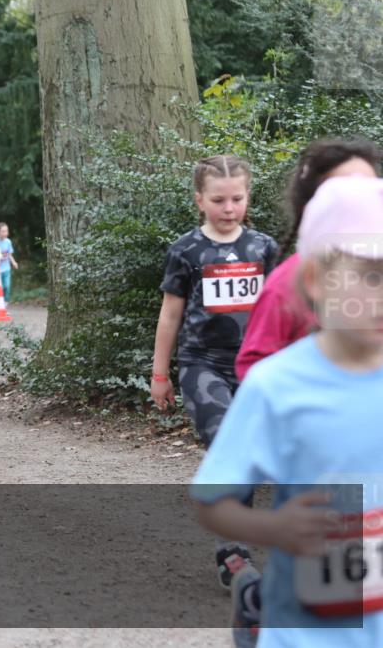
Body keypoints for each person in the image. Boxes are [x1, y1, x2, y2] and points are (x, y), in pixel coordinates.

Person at [192, 176, 383, 648]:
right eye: (372, 275)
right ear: (317, 279)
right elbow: (211, 499)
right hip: (306, 634)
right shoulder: (277, 385)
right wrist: (273, 528)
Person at [150, 155, 278, 588]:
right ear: (200, 200)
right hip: (202, 363)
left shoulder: (264, 247)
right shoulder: (186, 250)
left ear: (248, 198)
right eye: (219, 200)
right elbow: (170, 315)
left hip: (256, 367)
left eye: (237, 199)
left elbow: (279, 310)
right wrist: (160, 374)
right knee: (229, 440)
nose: (229, 208)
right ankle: (233, 549)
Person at [236, 138, 380, 380]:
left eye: (370, 187)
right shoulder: (284, 286)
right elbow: (253, 364)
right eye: (343, 192)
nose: (362, 200)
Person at [0, 222, 19, 303]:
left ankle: (6, 303)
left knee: (7, 286)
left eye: (6, 231)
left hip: (6, 268)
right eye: (3, 231)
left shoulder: (8, 241)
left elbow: (9, 254)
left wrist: (14, 262)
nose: (5, 233)